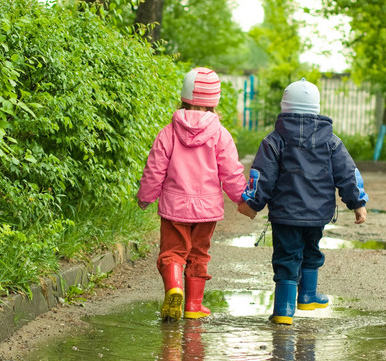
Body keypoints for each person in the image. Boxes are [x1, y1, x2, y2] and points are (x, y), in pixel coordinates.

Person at [238, 78, 368, 325]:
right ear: (317, 108)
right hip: (317, 214)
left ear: (285, 107)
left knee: (287, 256)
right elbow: (348, 173)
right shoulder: (331, 141)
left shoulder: (274, 140)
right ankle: (307, 295)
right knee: (311, 249)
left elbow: (261, 176)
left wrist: (252, 203)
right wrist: (357, 202)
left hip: (285, 214)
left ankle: (284, 311)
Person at [137, 67, 247, 322]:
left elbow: (155, 168)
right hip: (207, 211)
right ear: (214, 102)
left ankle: (174, 288)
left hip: (174, 208)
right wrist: (242, 198)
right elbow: (231, 171)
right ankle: (194, 306)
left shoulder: (168, 132)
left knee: (173, 253)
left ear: (184, 97)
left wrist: (146, 197)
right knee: (199, 255)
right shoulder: (220, 134)